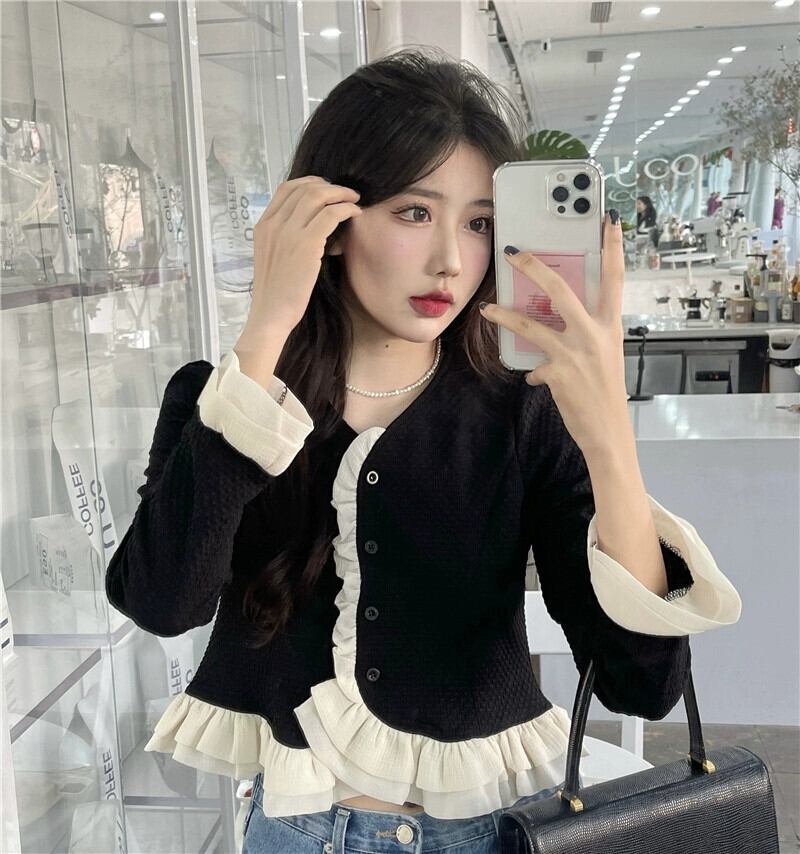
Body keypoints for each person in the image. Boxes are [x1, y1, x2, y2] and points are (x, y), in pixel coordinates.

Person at [105, 47, 742, 853]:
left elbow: (641, 685)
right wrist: (265, 328)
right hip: (295, 833)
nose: (451, 260)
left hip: (482, 832)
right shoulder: (226, 398)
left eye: (479, 223)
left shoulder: (520, 412)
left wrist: (608, 430)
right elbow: (163, 603)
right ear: (329, 222)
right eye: (414, 212)